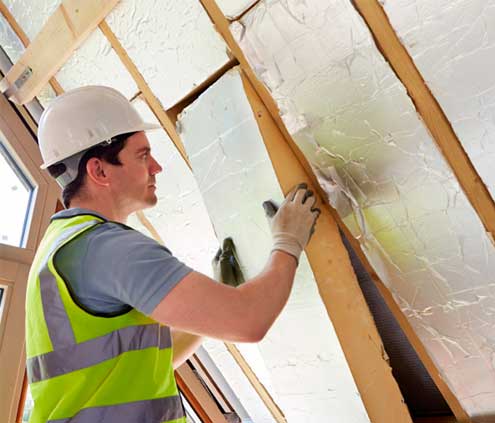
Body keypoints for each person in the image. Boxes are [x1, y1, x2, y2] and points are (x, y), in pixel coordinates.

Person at [25, 85, 320, 423]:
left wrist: (206, 310)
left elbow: (144, 364)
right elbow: (248, 321)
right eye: (142, 155)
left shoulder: (60, 246)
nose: (157, 167)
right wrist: (287, 241)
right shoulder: (107, 249)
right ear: (99, 171)